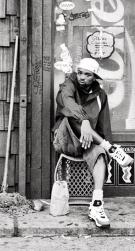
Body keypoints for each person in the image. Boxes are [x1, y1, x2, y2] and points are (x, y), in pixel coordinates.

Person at [52, 57, 133, 228]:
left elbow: (104, 125)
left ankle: (96, 206)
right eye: (80, 73)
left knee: (101, 154)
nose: (81, 77)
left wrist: (103, 143)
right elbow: (66, 102)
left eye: (87, 75)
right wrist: (85, 120)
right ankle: (110, 148)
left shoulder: (100, 95)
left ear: (94, 76)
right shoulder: (68, 85)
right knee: (72, 116)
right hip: (65, 137)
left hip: (88, 142)